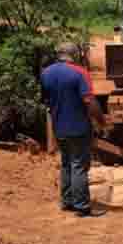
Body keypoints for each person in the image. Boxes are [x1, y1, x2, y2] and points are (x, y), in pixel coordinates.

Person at [41, 42, 107, 217]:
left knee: (66, 164)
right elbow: (90, 101)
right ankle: (82, 206)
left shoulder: (46, 73)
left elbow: (46, 101)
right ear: (74, 55)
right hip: (78, 127)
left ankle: (67, 201)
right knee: (78, 165)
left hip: (59, 127)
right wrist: (101, 121)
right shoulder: (79, 72)